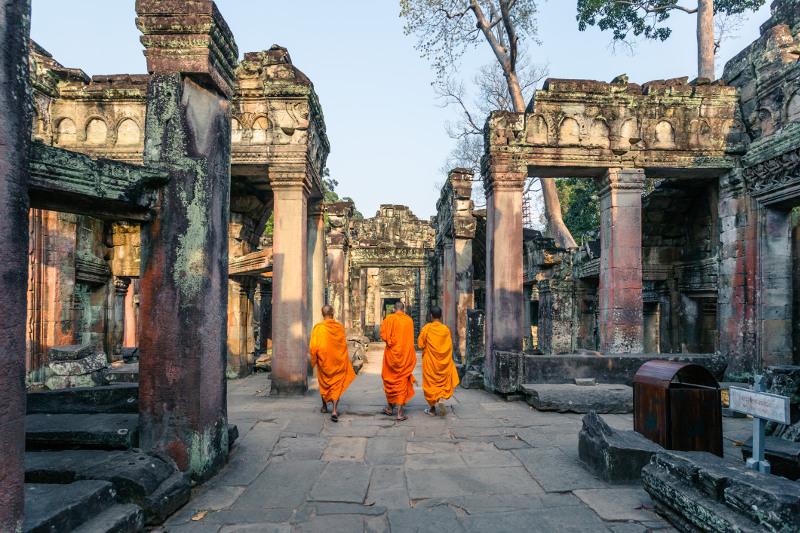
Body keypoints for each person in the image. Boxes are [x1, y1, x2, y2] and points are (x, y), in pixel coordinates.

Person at [309, 305, 356, 422]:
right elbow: (343, 345)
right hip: (337, 360)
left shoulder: (318, 328)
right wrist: (344, 358)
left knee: (323, 383)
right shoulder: (339, 327)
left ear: (322, 314)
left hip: (324, 361)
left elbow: (313, 347)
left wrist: (314, 360)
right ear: (333, 313)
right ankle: (334, 410)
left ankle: (324, 407)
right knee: (336, 384)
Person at [418, 306, 460, 416]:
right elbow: (449, 347)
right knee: (442, 382)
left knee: (431, 384)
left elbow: (420, 344)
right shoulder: (445, 329)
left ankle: (432, 409)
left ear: (431, 316)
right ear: (440, 316)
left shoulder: (427, 328)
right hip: (443, 363)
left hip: (431, 362)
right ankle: (441, 398)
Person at [379, 301, 416, 421]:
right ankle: (398, 412)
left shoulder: (389, 319)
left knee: (390, 380)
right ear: (403, 309)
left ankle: (391, 408)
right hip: (405, 356)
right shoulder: (409, 321)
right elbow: (410, 338)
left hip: (391, 356)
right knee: (402, 381)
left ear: (394, 309)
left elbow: (383, 336)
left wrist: (391, 341)